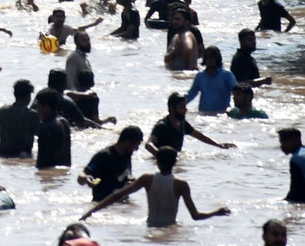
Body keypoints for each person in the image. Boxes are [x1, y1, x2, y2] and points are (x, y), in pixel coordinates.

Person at [79, 146, 230, 227]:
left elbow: (116, 196)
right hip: (170, 229)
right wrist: (216, 212)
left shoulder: (147, 179)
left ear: (156, 162)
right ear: (175, 163)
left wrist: (91, 212)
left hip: (149, 228)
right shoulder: (181, 184)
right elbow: (195, 216)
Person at [145, 92, 235, 155]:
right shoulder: (162, 126)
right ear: (172, 109)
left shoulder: (182, 123)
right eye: (182, 107)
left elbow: (199, 136)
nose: (186, 110)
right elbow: (148, 145)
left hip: (175, 158)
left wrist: (218, 145)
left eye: (185, 107)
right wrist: (160, 156)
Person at [78, 126, 144, 201]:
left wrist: (130, 179)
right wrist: (87, 179)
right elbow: (82, 176)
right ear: (128, 142)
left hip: (121, 203)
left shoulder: (127, 155)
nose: (137, 149)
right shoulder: (103, 156)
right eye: (137, 145)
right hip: (103, 203)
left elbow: (123, 174)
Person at [184, 46, 237, 113]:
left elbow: (237, 92)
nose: (210, 60)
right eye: (207, 57)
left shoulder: (226, 75)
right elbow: (191, 94)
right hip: (203, 114)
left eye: (213, 57)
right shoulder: (200, 76)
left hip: (221, 114)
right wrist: (179, 104)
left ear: (218, 59)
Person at [0, 79, 39, 157]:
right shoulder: (32, 114)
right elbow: (40, 133)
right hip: (23, 155)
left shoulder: (3, 110)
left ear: (14, 94)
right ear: (28, 96)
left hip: (3, 153)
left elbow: (0, 134)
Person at [35, 88, 71, 168]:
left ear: (46, 107)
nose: (36, 108)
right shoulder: (64, 122)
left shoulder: (46, 126)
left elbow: (43, 157)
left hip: (48, 171)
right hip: (64, 172)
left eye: (37, 105)